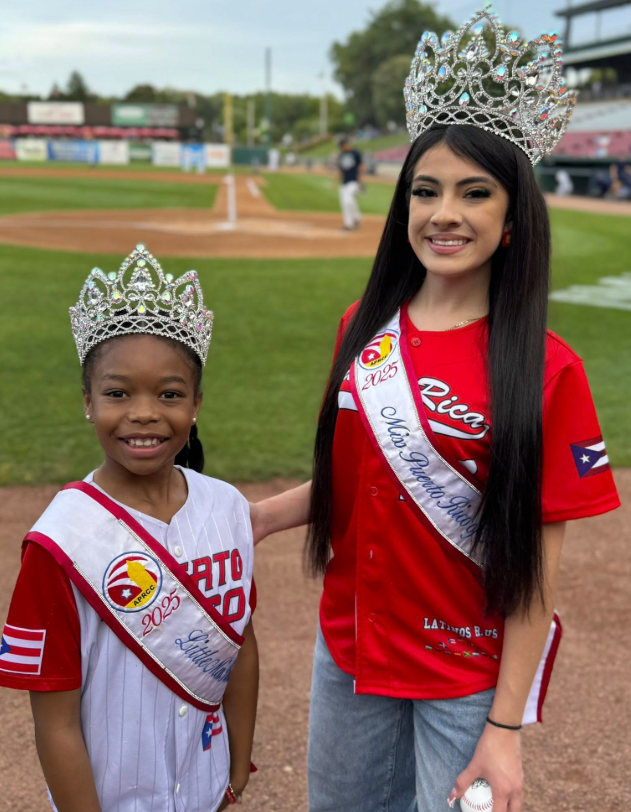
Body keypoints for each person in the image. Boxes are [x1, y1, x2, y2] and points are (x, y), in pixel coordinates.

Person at [250, 11, 620, 812]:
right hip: (349, 656)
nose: (443, 212)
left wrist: (506, 726)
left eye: (472, 193)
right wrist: (258, 518)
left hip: (464, 674)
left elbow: (534, 570)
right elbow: (352, 479)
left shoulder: (548, 369)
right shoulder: (361, 328)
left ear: (512, 218)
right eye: (425, 191)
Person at [0, 245, 258, 812]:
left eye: (169, 394)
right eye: (118, 394)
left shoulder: (228, 508)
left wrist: (235, 771)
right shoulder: (60, 542)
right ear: (88, 402)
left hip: (205, 787)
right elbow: (55, 722)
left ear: (196, 405)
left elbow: (238, 646)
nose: (144, 412)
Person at [337, 136, 363, 230]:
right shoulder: (342, 155)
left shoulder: (355, 153)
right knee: (345, 203)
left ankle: (353, 220)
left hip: (354, 181)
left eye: (344, 144)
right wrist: (335, 181)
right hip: (344, 182)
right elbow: (341, 170)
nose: (343, 147)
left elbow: (361, 167)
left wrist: (361, 180)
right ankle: (352, 221)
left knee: (348, 201)